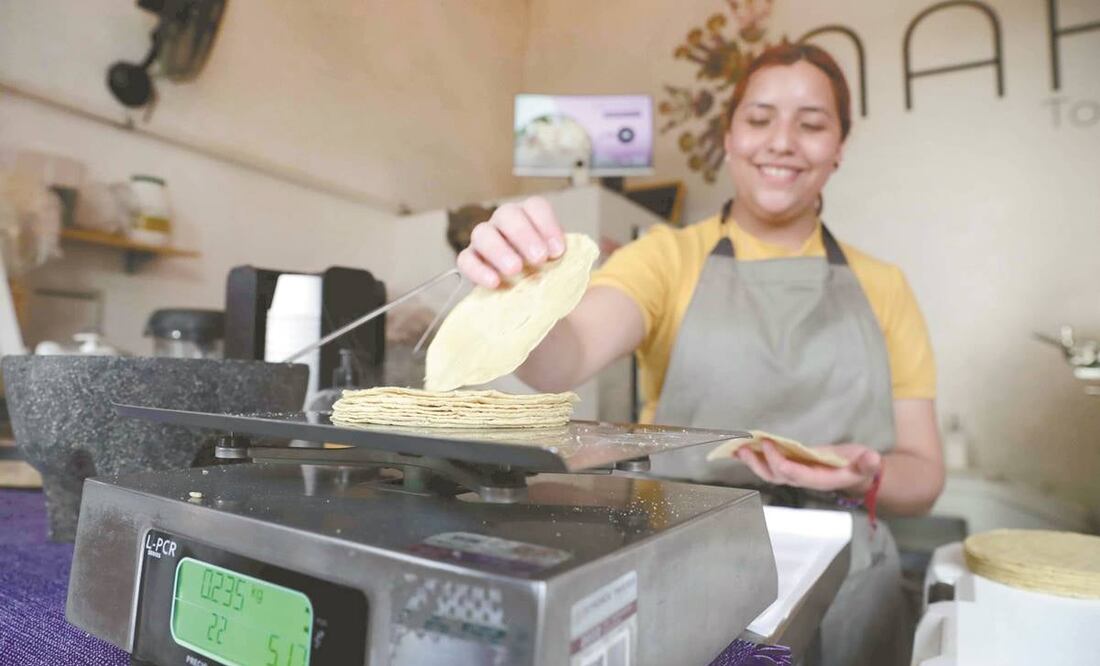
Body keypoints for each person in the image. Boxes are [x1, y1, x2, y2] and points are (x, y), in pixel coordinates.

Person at [457, 43, 943, 666]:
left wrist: (869, 471)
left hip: (846, 564)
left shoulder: (885, 286)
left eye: (813, 123)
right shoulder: (666, 258)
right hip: (684, 547)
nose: (783, 141)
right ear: (730, 135)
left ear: (840, 145)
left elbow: (924, 477)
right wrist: (517, 284)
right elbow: (562, 358)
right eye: (760, 118)